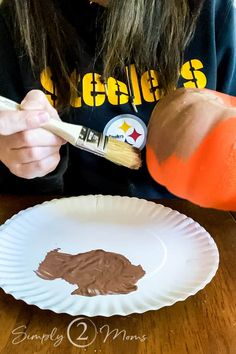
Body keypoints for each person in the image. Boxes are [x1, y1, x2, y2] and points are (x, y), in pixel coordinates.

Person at [0, 0, 235, 205]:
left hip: (186, 230)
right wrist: (31, 166)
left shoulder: (214, 14)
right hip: (65, 226)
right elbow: (18, 197)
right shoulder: (17, 22)